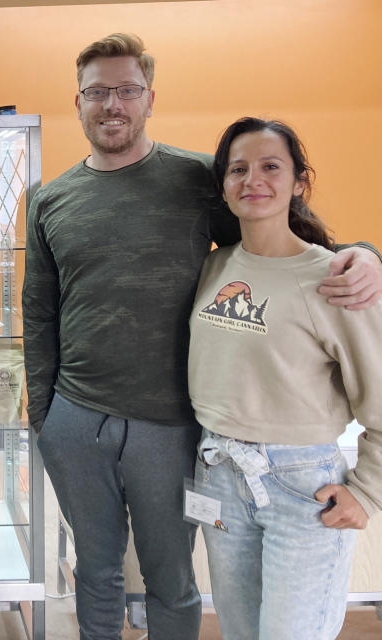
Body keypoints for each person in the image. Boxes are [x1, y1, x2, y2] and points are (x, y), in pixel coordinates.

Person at [22, 34, 382, 639]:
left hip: (172, 424)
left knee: (172, 579)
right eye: (97, 92)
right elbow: (39, 313)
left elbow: (278, 234)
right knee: (95, 570)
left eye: (127, 90)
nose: (112, 104)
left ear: (149, 98)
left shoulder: (195, 179)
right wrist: (44, 417)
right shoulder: (49, 200)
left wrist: (364, 253)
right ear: (78, 101)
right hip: (76, 419)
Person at [188, 117, 381, 639]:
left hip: (303, 486)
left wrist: (368, 492)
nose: (253, 179)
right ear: (224, 186)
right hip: (219, 473)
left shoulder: (335, 280)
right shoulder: (213, 269)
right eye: (238, 169)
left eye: (271, 166)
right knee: (241, 631)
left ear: (299, 181)